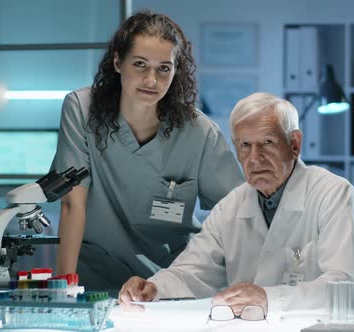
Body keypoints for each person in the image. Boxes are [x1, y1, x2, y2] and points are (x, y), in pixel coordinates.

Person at [118, 92, 354, 316]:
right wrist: (153, 287)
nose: (254, 158)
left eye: (267, 143)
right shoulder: (231, 207)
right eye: (245, 145)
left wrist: (268, 298)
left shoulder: (334, 194)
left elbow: (342, 284)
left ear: (294, 145)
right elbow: (192, 271)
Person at [51, 10, 244, 296]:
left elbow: (238, 211)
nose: (151, 80)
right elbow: (72, 204)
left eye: (164, 68)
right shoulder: (81, 109)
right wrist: (63, 291)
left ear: (176, 70)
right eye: (140, 64)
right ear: (118, 62)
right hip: (97, 279)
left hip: (170, 283)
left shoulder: (198, 132)